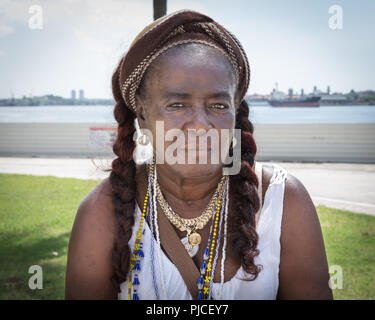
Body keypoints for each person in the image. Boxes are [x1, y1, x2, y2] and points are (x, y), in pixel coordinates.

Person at [65, 9, 333, 300]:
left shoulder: (282, 201)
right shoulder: (102, 211)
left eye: (218, 106)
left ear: (235, 111)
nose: (201, 126)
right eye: (177, 105)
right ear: (142, 114)